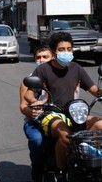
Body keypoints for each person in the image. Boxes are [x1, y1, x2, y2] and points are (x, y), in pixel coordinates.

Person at [25, 31, 102, 182]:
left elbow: (94, 90)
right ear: (53, 52)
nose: (66, 52)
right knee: (66, 136)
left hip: (75, 113)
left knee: (100, 125)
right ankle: (60, 172)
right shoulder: (43, 69)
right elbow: (28, 94)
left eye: (69, 49)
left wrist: (100, 92)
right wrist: (36, 102)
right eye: (61, 49)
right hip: (51, 114)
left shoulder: (76, 68)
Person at [19, 44, 53, 182]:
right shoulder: (28, 80)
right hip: (35, 122)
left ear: (53, 58)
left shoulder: (62, 75)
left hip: (59, 119)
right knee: (38, 141)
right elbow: (23, 106)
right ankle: (37, 173)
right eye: (38, 57)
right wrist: (31, 112)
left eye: (46, 57)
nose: (42, 60)